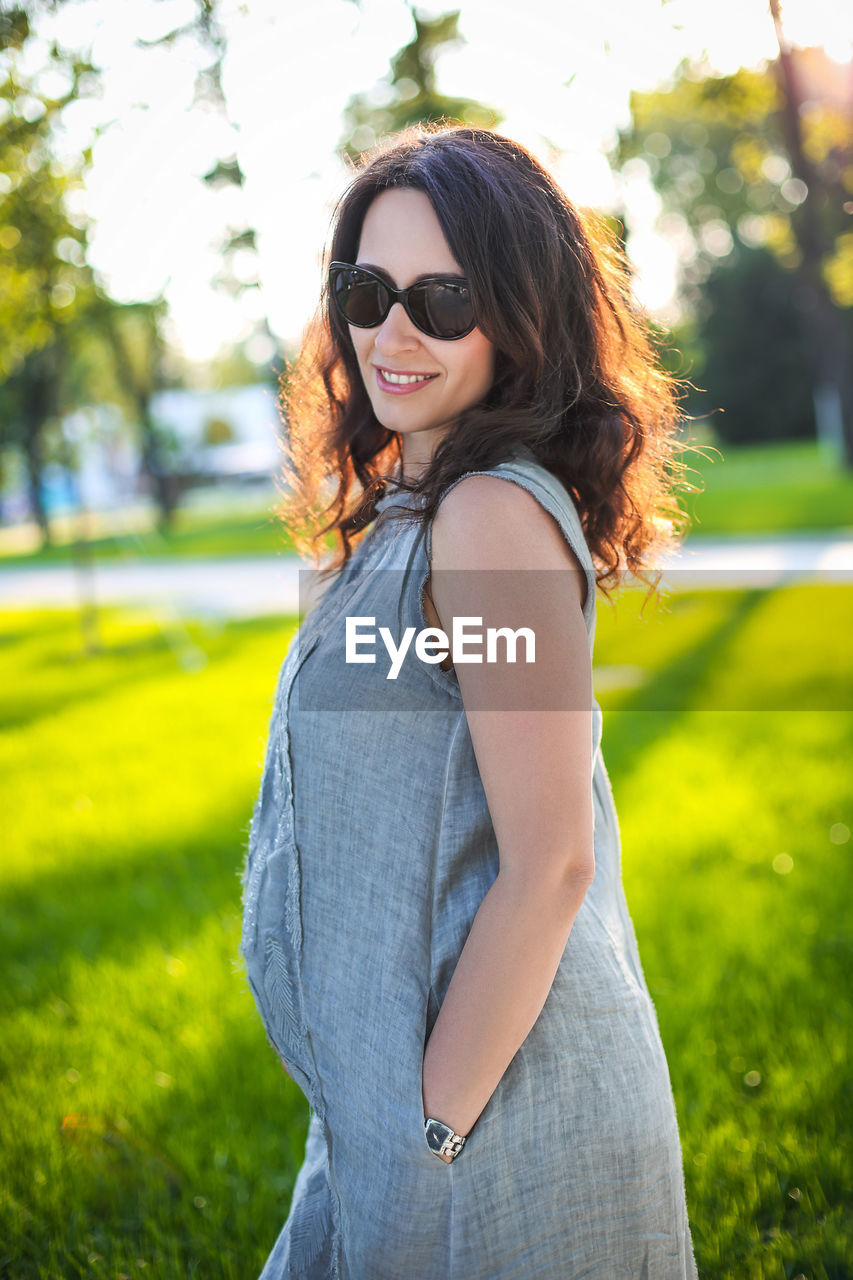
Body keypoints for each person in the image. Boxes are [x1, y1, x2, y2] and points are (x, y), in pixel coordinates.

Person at [240, 124, 699, 1279]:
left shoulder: (487, 517)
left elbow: (552, 862)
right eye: (367, 291)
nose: (394, 333)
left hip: (492, 1129)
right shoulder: (404, 512)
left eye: (442, 300)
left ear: (518, 309)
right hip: (390, 1119)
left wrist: (431, 1119)